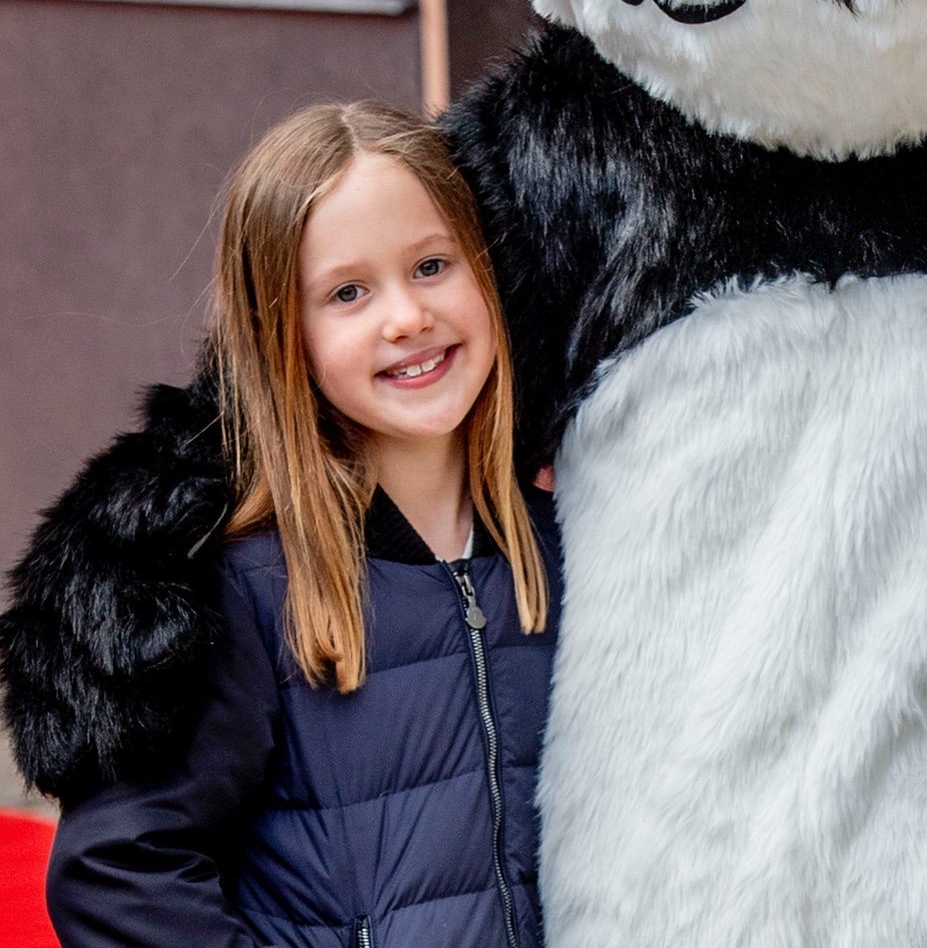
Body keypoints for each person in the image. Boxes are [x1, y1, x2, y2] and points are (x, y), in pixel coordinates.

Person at [33, 101, 562, 948]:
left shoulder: (563, 544)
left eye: (432, 265)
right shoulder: (246, 585)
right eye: (348, 292)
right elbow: (118, 874)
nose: (406, 317)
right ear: (286, 336)